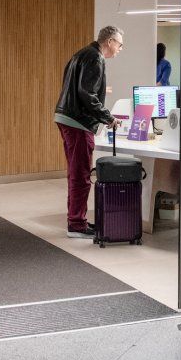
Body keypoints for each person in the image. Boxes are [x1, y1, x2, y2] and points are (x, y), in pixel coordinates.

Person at [55, 26, 124, 238]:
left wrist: (102, 91)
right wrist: (109, 118)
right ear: (110, 41)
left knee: (77, 173)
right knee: (81, 175)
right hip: (78, 122)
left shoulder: (82, 53)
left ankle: (77, 220)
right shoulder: (96, 58)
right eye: (120, 45)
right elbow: (87, 95)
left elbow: (76, 86)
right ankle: (76, 225)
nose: (120, 49)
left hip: (66, 117)